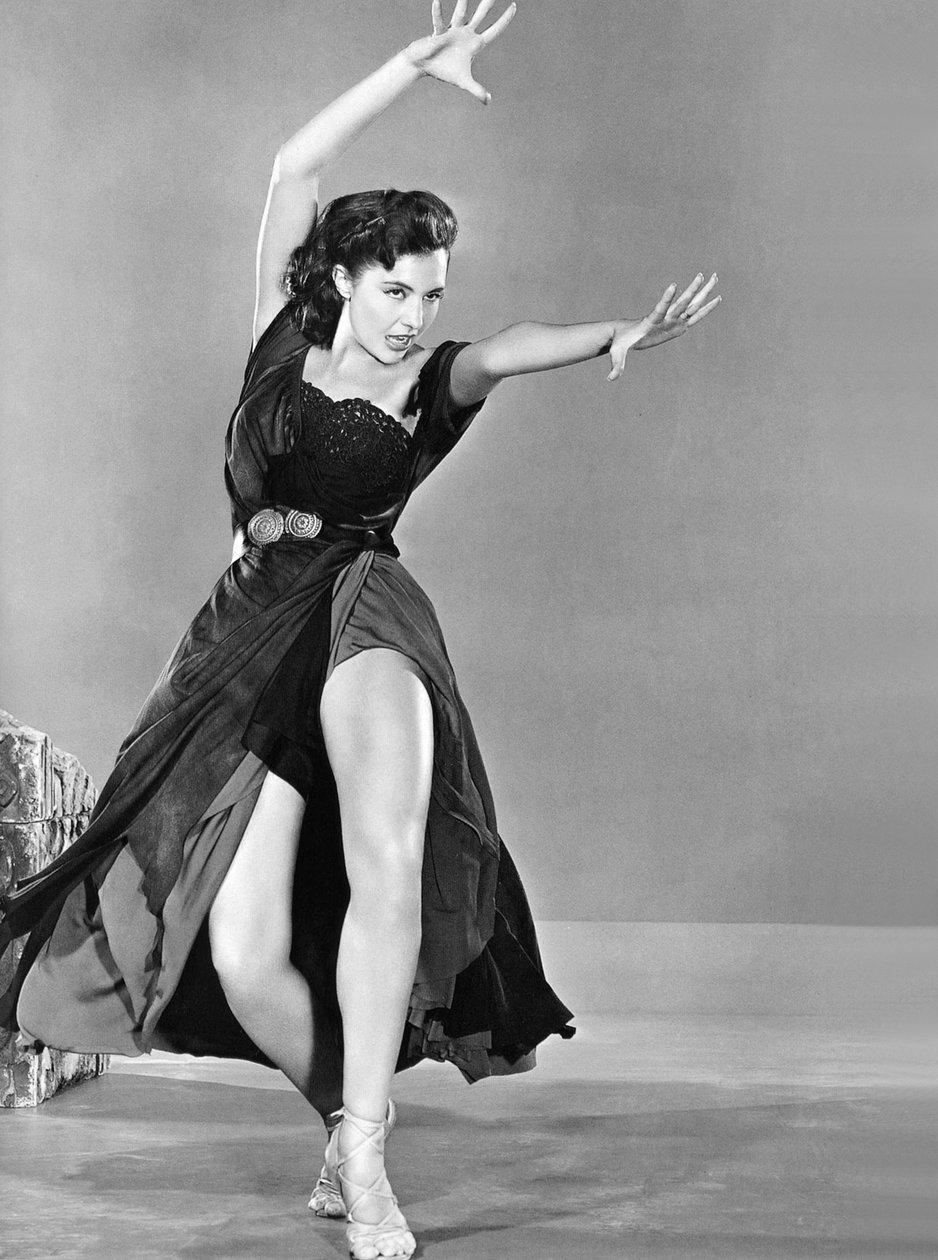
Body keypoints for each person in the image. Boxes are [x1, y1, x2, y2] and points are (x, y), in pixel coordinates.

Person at [0, 3, 720, 1258]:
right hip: (243, 640)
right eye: (394, 290)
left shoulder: (430, 381)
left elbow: (505, 350)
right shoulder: (278, 343)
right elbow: (293, 165)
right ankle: (341, 1127)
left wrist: (609, 334)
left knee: (387, 858)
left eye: (430, 293)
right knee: (242, 949)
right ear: (337, 280)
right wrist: (410, 66)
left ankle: (372, 1163)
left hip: (359, 613)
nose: (412, 315)